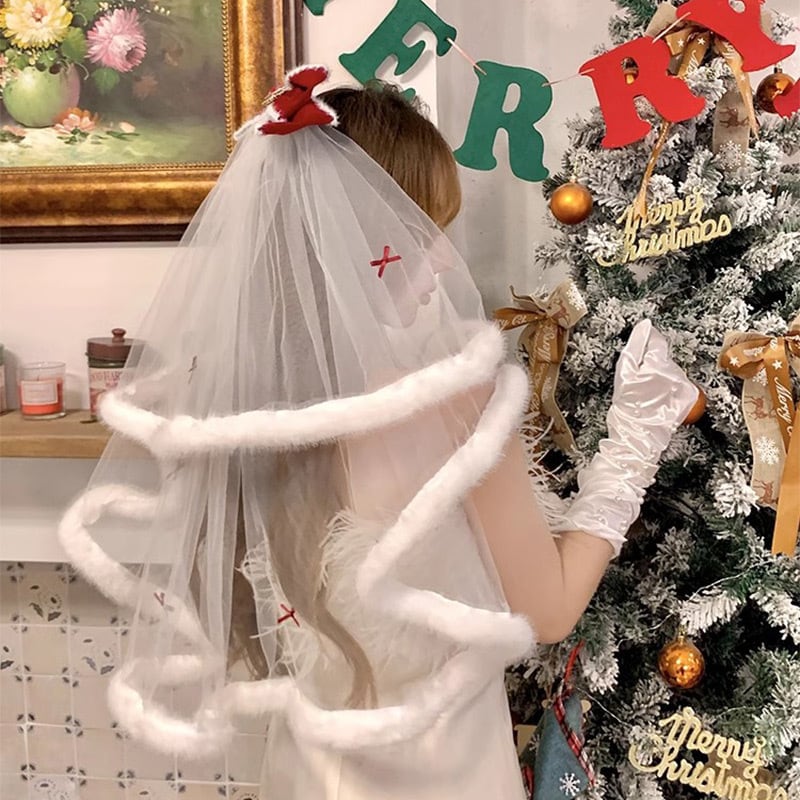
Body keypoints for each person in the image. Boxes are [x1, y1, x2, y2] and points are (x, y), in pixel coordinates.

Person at [58, 66, 698, 800]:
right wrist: (636, 438)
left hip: (304, 776)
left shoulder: (231, 408)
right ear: (353, 241)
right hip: (447, 778)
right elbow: (548, 612)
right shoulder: (454, 405)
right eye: (419, 231)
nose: (444, 260)